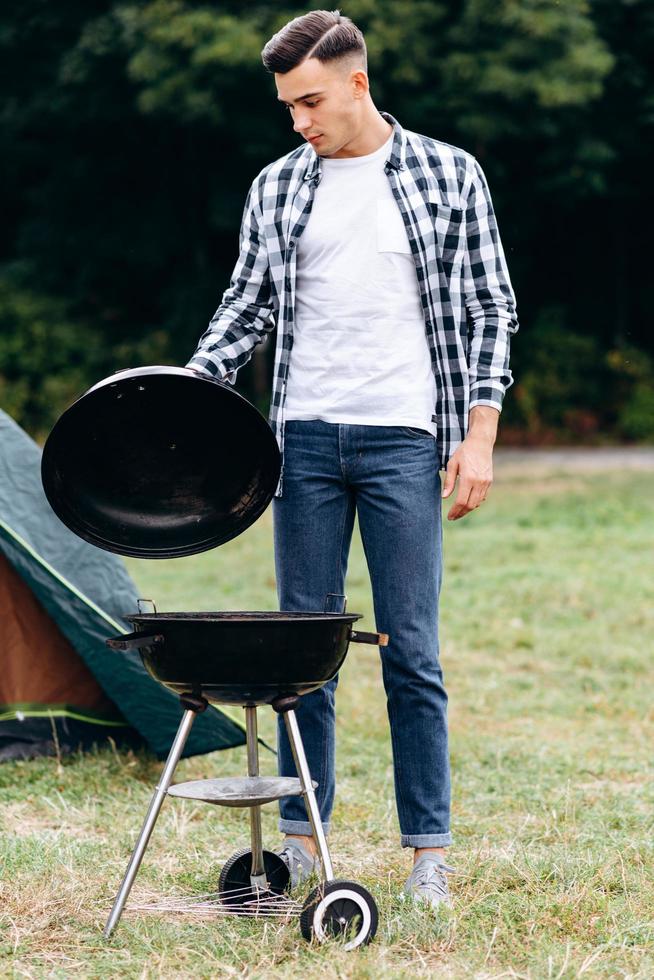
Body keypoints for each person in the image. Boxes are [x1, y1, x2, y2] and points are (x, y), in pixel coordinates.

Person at [188, 9, 518, 909]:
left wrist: (478, 437)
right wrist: (189, 385)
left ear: (358, 82)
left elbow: (491, 309)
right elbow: (244, 307)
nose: (300, 120)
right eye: (288, 106)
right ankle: (301, 843)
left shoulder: (448, 174)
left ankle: (429, 856)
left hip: (405, 437)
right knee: (305, 650)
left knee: (411, 649)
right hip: (302, 443)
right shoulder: (279, 187)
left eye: (311, 101)